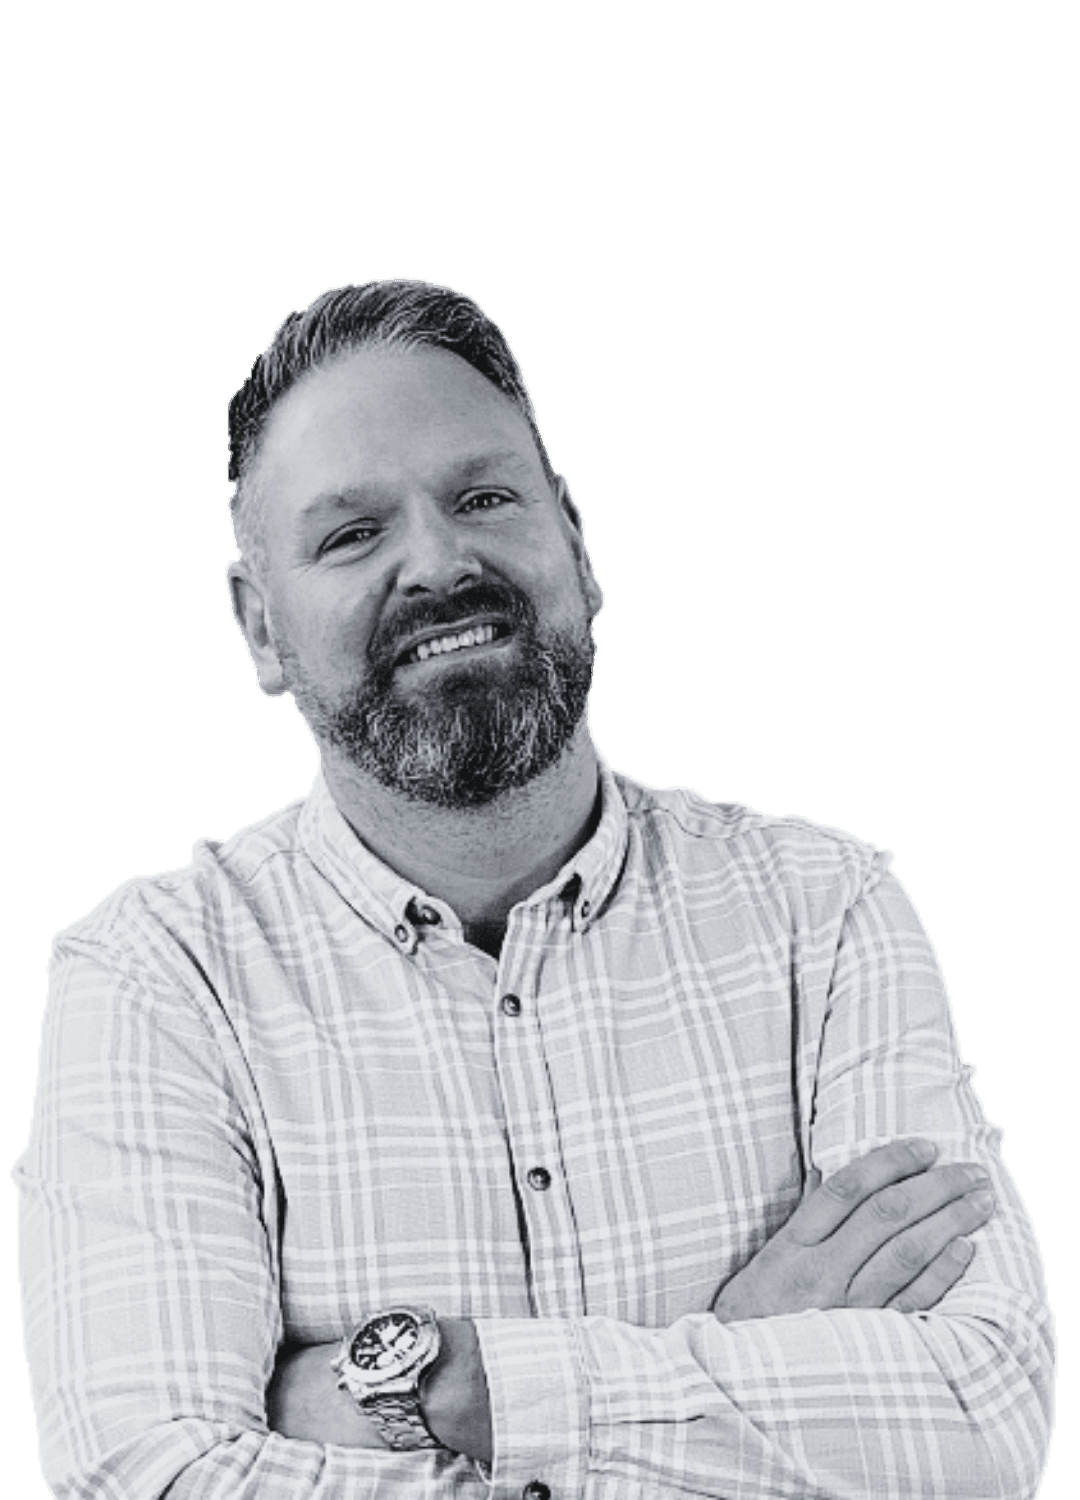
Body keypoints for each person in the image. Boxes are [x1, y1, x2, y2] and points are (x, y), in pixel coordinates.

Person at [15, 279, 1054, 1500]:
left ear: (577, 541)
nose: (437, 562)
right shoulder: (158, 978)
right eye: (351, 534)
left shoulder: (823, 910)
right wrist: (738, 1366)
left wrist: (453, 1388)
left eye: (483, 498)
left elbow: (983, 1422)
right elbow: (152, 1477)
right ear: (259, 628)